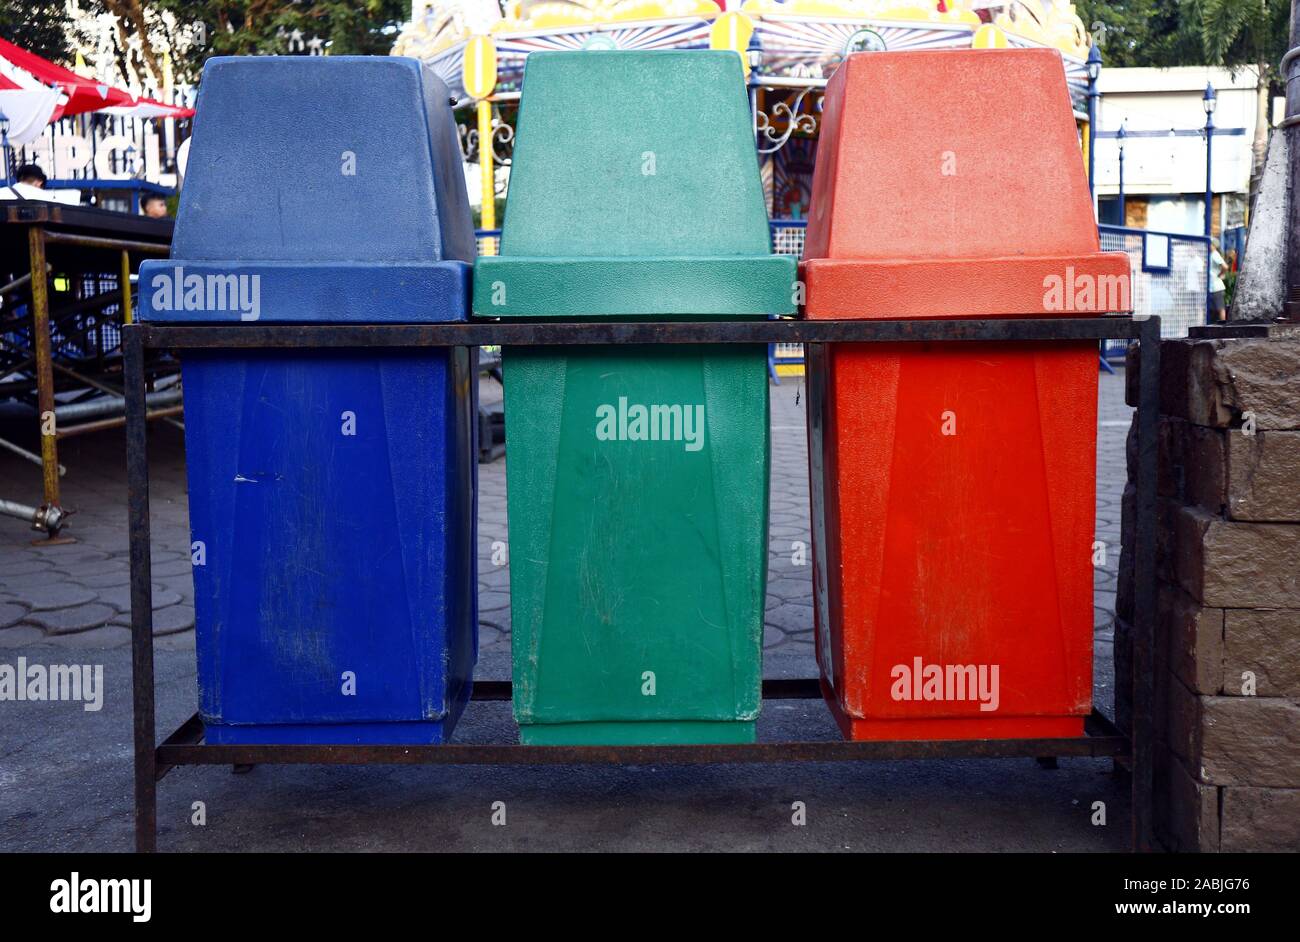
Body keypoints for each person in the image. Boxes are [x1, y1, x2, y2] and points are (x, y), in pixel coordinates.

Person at [1209, 239, 1228, 321]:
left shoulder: (1215, 254)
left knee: (1220, 308)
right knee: (1214, 309)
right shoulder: (1211, 255)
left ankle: (1223, 326)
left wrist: (1220, 274)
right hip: (1212, 286)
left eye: (1210, 244)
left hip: (1216, 286)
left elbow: (1225, 266)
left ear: (1214, 245)